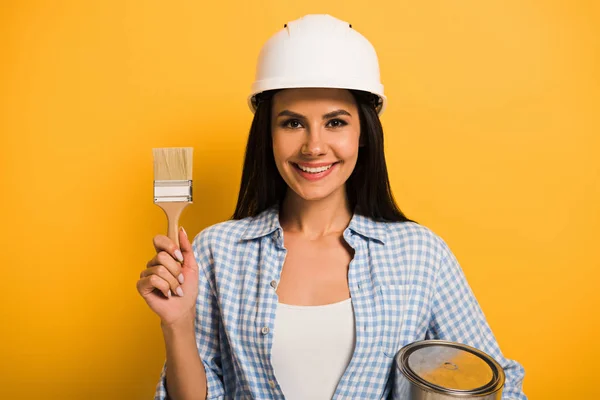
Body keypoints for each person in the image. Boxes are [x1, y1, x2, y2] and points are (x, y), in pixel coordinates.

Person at [137, 14, 526, 400]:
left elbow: (497, 387)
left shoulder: (420, 255)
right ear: (267, 136)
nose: (314, 146)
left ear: (364, 134)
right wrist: (178, 323)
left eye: (336, 122)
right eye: (292, 124)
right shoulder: (216, 251)